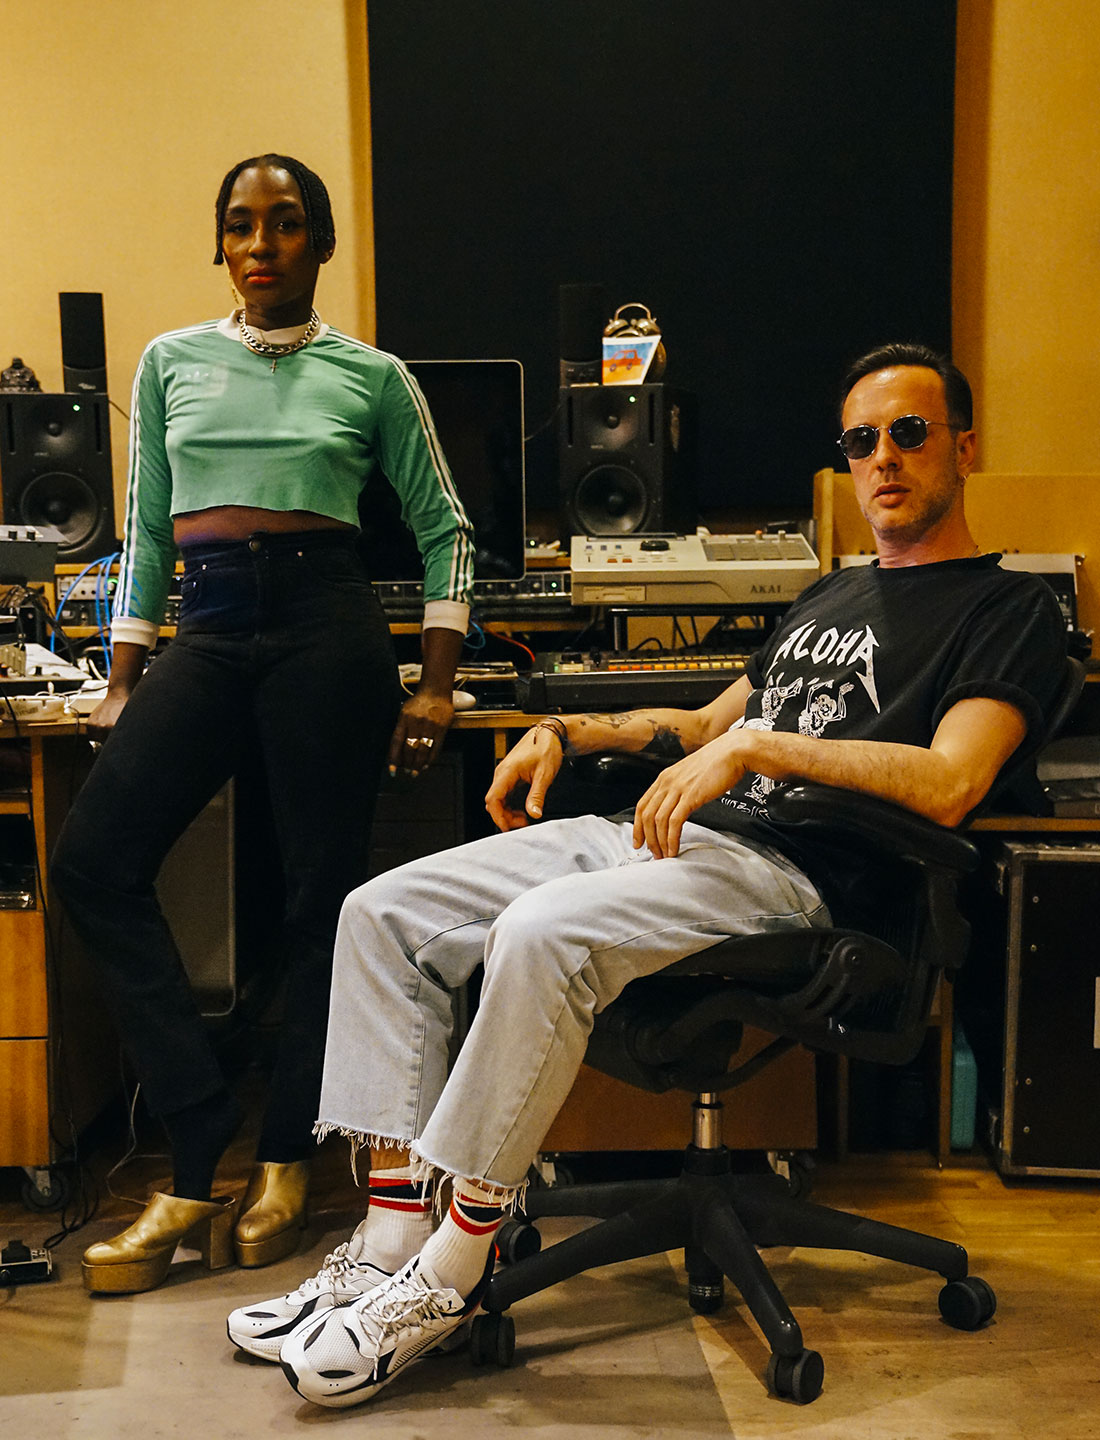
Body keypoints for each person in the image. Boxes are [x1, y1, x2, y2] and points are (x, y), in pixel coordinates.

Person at [227, 342, 1066, 1407]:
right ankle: (389, 1238)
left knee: (540, 931)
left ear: (963, 446)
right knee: (382, 911)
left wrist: (763, 749)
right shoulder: (831, 593)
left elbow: (951, 781)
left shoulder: (1008, 611)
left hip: (802, 875)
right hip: (670, 834)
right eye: (862, 440)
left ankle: (450, 1270)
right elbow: (704, 726)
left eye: (909, 433)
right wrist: (569, 731)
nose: (883, 459)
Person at [51, 154, 474, 1295]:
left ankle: (286, 1154)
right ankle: (194, 1136)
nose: (261, 243)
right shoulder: (169, 362)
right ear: (220, 243)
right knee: (92, 862)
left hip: (326, 627)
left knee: (318, 903)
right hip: (208, 625)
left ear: (320, 243)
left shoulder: (373, 376)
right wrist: (124, 676)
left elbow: (446, 530)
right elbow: (146, 530)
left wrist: (435, 684)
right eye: (241, 224)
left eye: (286, 224)